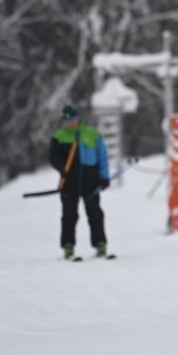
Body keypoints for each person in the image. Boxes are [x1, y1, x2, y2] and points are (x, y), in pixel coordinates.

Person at [48, 105, 111, 260]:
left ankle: (100, 244)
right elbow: (53, 157)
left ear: (78, 118)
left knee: (95, 214)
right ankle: (68, 246)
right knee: (69, 215)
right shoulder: (59, 136)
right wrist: (63, 168)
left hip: (91, 183)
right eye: (68, 120)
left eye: (73, 119)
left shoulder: (92, 134)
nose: (71, 122)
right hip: (69, 184)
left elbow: (102, 157)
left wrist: (104, 177)